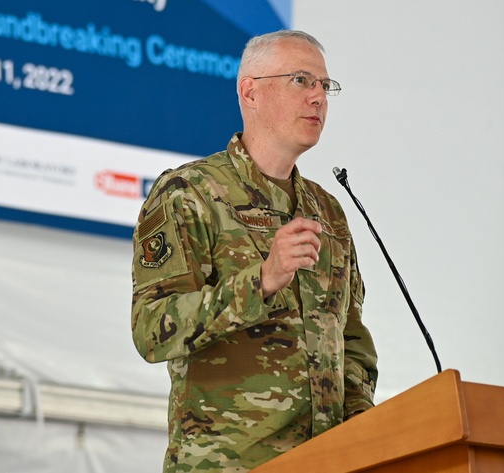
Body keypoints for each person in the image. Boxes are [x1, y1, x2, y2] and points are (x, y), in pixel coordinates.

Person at [131, 30, 378, 472]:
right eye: (302, 81)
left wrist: (367, 436)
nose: (319, 97)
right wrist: (261, 282)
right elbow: (152, 330)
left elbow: (352, 343)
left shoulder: (329, 211)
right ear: (251, 92)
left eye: (325, 85)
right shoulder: (191, 193)